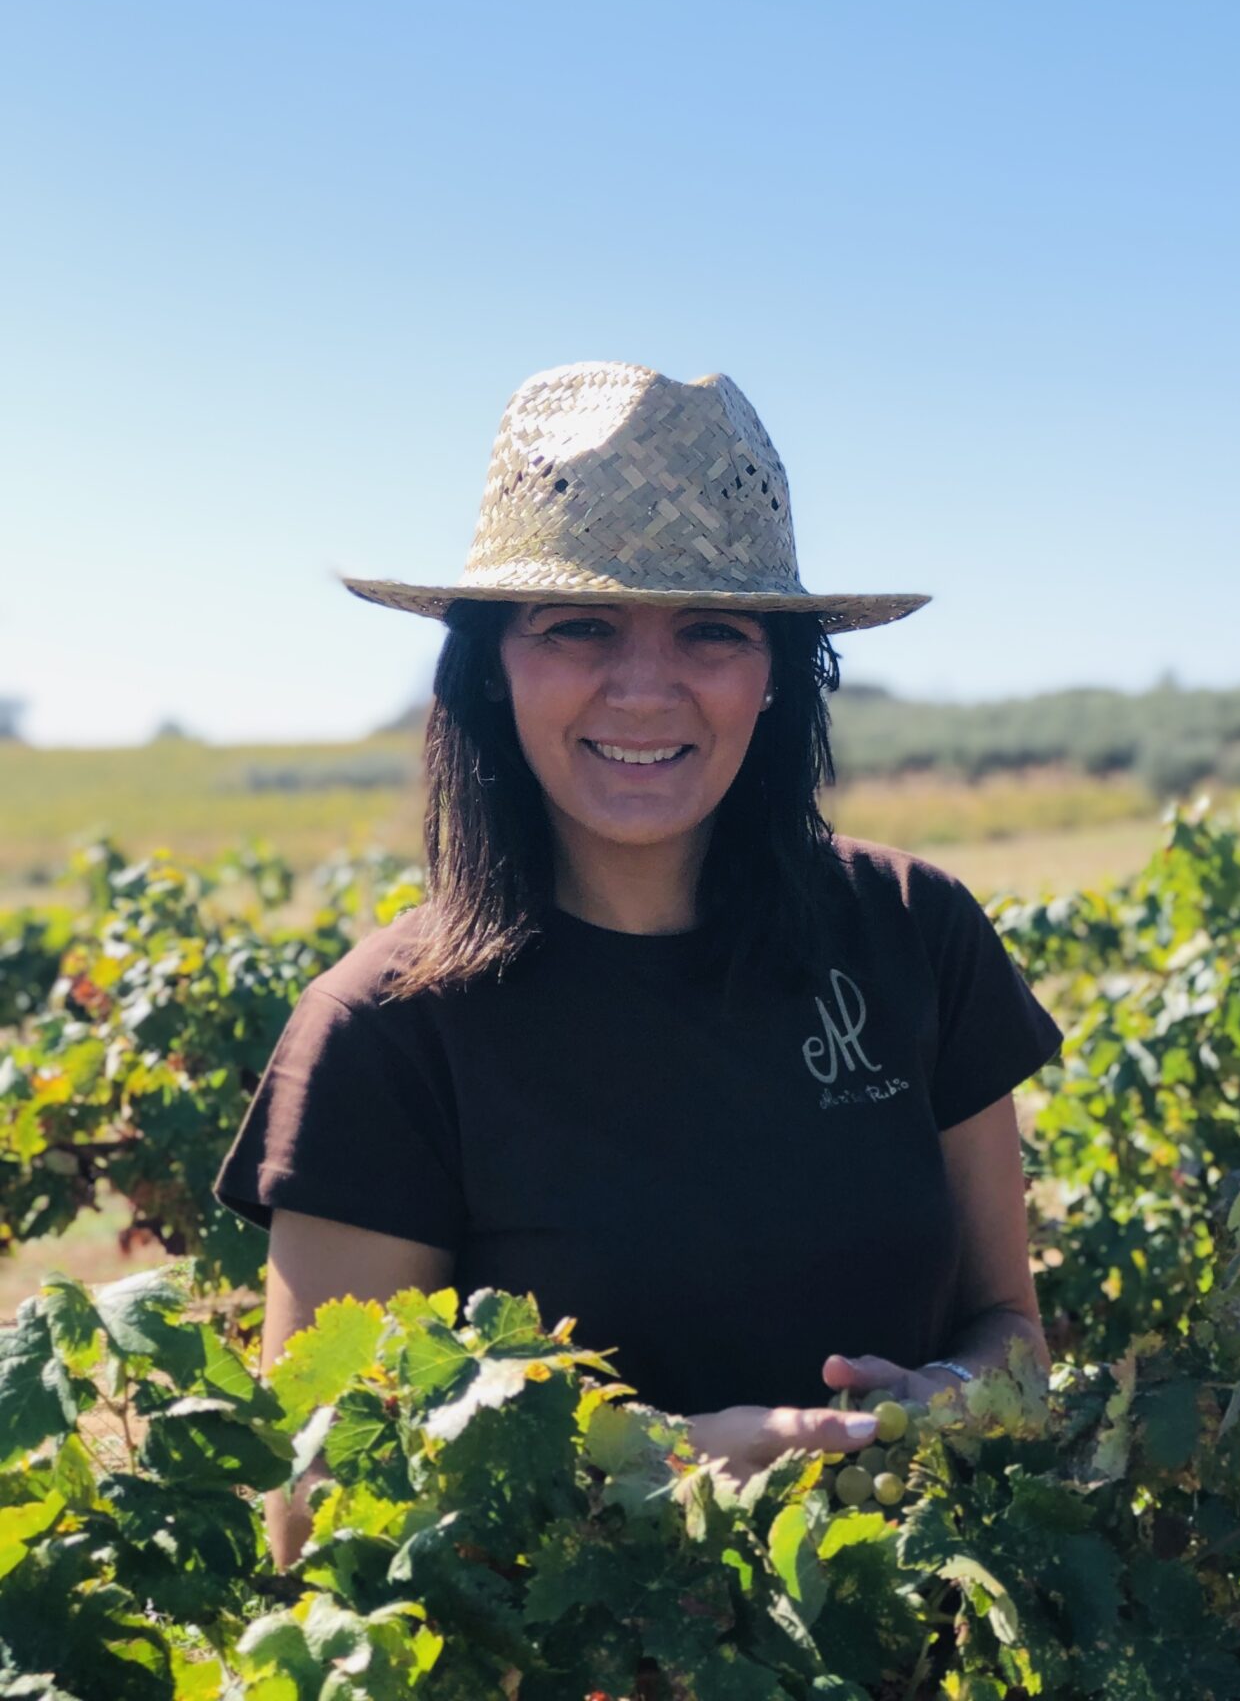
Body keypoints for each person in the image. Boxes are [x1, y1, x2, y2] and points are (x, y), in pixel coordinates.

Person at [217, 361, 1058, 1564]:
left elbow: (1007, 1324)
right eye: (580, 627)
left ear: (777, 674)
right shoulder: (382, 1033)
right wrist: (661, 1470)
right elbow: (320, 1508)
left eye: (711, 630)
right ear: (489, 665)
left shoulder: (911, 930)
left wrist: (959, 1395)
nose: (646, 687)